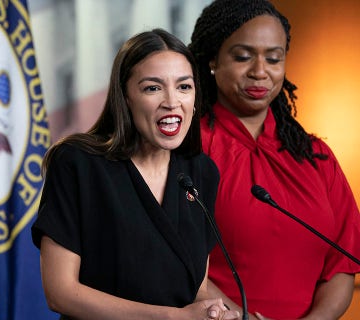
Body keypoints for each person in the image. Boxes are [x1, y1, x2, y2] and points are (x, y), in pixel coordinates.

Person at [31, 29, 240, 320]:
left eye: (184, 87)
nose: (172, 101)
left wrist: (217, 312)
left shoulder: (201, 171)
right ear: (125, 97)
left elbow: (196, 288)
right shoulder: (77, 164)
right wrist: (172, 318)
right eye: (152, 88)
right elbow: (61, 292)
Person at [188, 0, 360, 319]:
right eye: (242, 56)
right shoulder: (187, 150)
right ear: (212, 60)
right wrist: (242, 317)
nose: (260, 71)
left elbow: (342, 264)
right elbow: (177, 261)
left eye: (273, 58)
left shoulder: (316, 155)